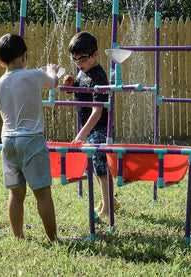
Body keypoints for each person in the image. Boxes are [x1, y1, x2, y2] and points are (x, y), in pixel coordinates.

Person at [0, 33, 60, 241]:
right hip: (31, 139)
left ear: (0, 61)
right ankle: (53, 239)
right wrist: (51, 71)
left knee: (15, 193)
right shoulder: (33, 75)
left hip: (8, 142)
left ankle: (18, 237)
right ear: (25, 56)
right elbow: (53, 83)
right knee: (42, 193)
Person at [63, 31, 119, 220]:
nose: (78, 63)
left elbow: (97, 111)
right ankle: (109, 199)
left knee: (101, 168)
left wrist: (81, 134)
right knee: (96, 168)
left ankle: (108, 208)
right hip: (91, 130)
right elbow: (81, 92)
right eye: (75, 59)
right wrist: (72, 85)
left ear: (95, 55)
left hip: (101, 129)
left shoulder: (99, 77)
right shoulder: (83, 72)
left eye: (82, 59)